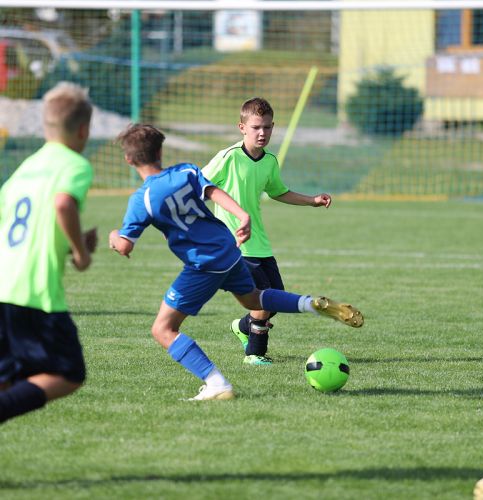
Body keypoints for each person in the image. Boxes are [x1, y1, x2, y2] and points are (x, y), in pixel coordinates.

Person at [109, 123, 363, 401]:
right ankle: (310, 303)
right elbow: (212, 191)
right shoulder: (185, 171)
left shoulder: (141, 200)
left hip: (203, 264)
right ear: (160, 151)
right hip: (229, 250)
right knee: (253, 299)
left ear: (129, 159)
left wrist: (114, 236)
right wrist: (243, 215)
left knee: (163, 329)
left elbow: (125, 246)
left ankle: (216, 383)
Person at [202, 96, 360, 366]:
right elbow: (199, 184)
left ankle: (243, 327)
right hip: (235, 244)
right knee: (263, 299)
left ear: (273, 127)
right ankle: (254, 354)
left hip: (260, 243)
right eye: (255, 127)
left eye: (267, 127)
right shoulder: (228, 157)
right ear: (242, 127)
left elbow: (278, 191)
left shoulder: (269, 161)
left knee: (275, 299)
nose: (262, 133)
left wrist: (311, 200)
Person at [0, 82, 97, 424]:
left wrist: (71, 240)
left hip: (4, 284)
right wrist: (81, 253)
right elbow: (62, 203)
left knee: (8, 379)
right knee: (69, 372)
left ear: (46, 126)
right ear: (83, 130)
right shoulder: (74, 164)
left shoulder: (24, 168)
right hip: (34, 291)